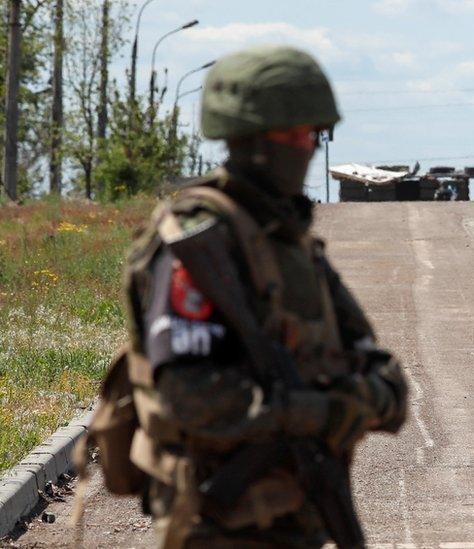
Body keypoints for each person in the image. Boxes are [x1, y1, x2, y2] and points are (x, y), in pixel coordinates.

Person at [121, 46, 408, 547]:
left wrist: (367, 398)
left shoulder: (289, 241)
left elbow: (376, 367)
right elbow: (187, 396)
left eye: (313, 134)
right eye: (293, 134)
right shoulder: (199, 242)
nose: (308, 146)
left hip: (297, 518)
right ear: (251, 138)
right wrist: (315, 412)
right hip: (215, 526)